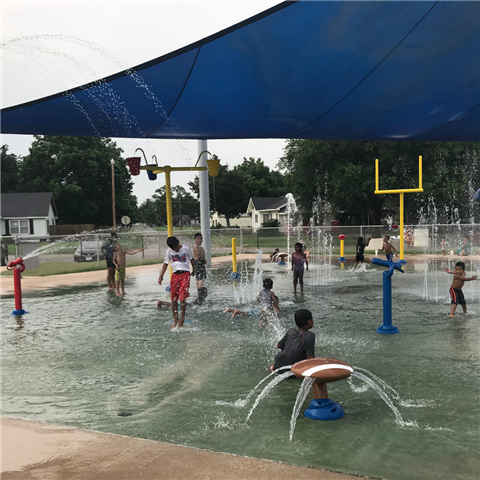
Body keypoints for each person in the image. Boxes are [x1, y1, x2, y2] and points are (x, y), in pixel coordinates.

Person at [158, 236, 195, 329]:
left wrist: (194, 269)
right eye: (173, 248)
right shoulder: (169, 252)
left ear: (178, 242)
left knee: (182, 298)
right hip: (175, 276)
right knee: (174, 299)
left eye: (176, 247)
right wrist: (161, 276)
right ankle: (175, 319)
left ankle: (182, 317)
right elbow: (165, 264)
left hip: (185, 274)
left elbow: (192, 260)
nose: (175, 249)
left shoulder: (186, 249)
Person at [193, 233, 208, 304]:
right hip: (199, 263)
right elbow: (199, 255)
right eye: (198, 239)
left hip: (199, 263)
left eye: (201, 238)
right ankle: (199, 293)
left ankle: (199, 292)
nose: (200, 240)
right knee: (201, 279)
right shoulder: (196, 246)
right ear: (195, 240)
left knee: (199, 279)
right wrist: (204, 260)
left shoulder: (200, 246)